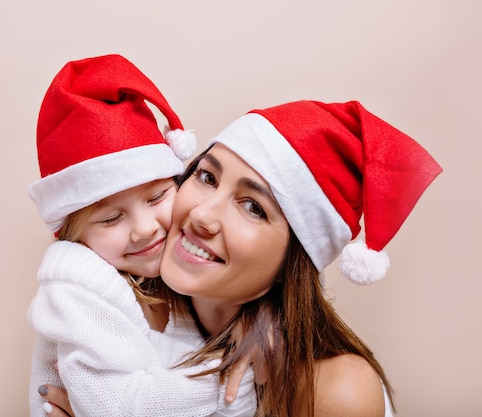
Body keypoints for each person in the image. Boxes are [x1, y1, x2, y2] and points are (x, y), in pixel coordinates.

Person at [42, 100, 442, 417]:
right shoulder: (121, 310)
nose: (200, 214)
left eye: (253, 207)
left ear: (294, 260)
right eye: (207, 177)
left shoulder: (337, 390)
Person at [26, 54, 257, 417]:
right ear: (75, 235)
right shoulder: (76, 290)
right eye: (110, 218)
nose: (145, 228)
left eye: (157, 197)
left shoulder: (184, 264)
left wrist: (262, 327)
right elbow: (120, 408)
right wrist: (240, 375)